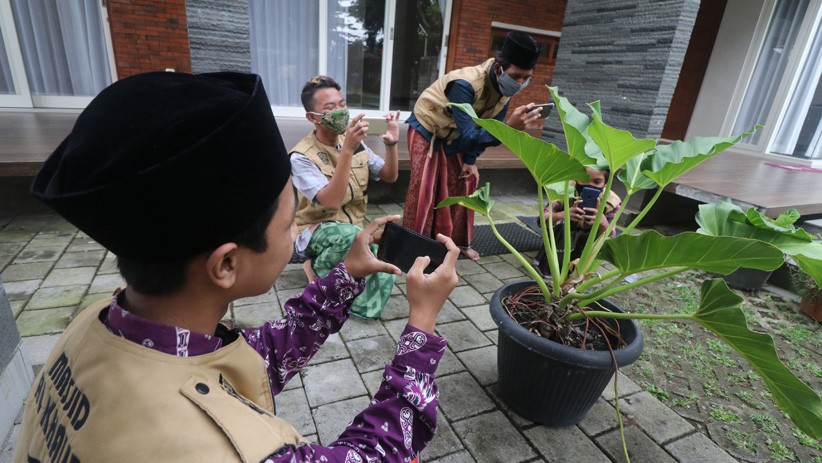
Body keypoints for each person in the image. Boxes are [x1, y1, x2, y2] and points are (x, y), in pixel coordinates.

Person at [15, 71, 460, 463]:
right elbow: (375, 454)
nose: (293, 237)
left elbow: (256, 357)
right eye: (289, 226)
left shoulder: (95, 327)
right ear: (226, 263)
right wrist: (421, 325)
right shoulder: (224, 451)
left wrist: (346, 275)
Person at [403, 31, 544, 261]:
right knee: (425, 190)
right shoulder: (465, 84)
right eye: (516, 76)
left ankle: (458, 245)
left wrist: (470, 161)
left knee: (465, 182)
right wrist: (510, 128)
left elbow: (489, 127)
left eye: (526, 78)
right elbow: (473, 135)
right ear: (499, 68)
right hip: (428, 128)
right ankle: (413, 250)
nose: (520, 83)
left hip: (457, 133)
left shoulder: (504, 88)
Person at [290, 75, 400, 319]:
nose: (340, 111)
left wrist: (391, 145)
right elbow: (331, 202)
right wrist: (347, 151)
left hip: (353, 228)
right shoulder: (301, 156)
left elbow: (389, 175)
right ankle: (317, 266)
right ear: (312, 117)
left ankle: (356, 296)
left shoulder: (356, 144)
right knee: (353, 238)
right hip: (316, 231)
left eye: (342, 104)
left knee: (383, 252)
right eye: (330, 108)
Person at [534, 165, 622, 276]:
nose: (590, 185)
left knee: (600, 237)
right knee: (561, 225)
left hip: (589, 240)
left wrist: (602, 222)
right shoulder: (564, 190)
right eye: (584, 180)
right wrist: (561, 215)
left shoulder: (611, 202)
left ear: (605, 183)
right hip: (564, 235)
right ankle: (552, 265)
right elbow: (541, 220)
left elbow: (610, 237)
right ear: (575, 179)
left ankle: (581, 268)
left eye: (597, 181)